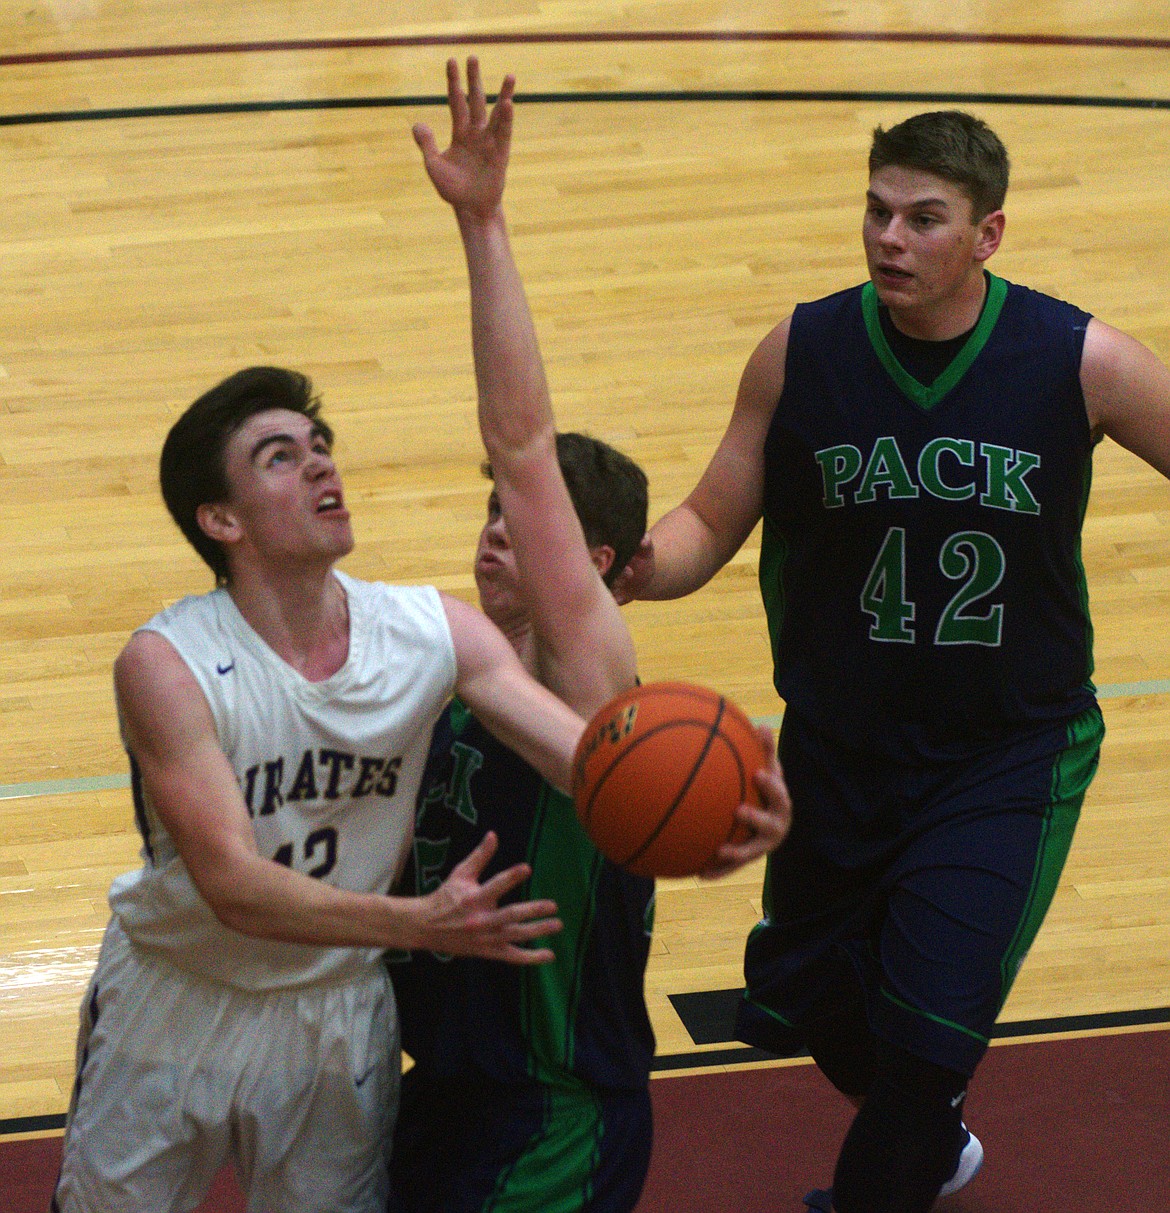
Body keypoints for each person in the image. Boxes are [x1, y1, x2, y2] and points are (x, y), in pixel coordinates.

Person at [614, 110, 1170, 1212]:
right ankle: (928, 1130)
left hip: (1006, 754)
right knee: (807, 999)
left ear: (987, 235)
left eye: (924, 219)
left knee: (924, 1044)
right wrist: (628, 566)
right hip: (839, 750)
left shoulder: (1080, 359)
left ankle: (898, 1155)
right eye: (878, 211)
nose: (890, 238)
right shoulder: (801, 350)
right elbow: (710, 520)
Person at [386, 59, 793, 1213]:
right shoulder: (453, 659)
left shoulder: (591, 683)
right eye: (492, 516)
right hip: (439, 1084)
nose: (501, 534)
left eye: (529, 524)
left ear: (600, 571)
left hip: (551, 1107)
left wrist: (483, 223)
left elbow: (520, 439)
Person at [53, 364, 599, 1213]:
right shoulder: (168, 664)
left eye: (320, 447)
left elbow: (588, 763)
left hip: (332, 1014)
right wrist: (418, 924)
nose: (319, 466)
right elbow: (232, 884)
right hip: (175, 997)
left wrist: (721, 800)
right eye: (279, 456)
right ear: (220, 519)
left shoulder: (428, 633)